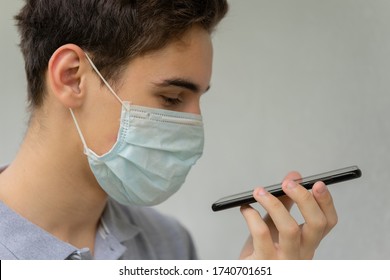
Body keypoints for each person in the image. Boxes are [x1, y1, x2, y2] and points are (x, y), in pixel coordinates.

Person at [0, 0, 337, 260]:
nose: (196, 130)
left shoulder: (169, 244)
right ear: (71, 77)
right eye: (172, 98)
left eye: (198, 100)